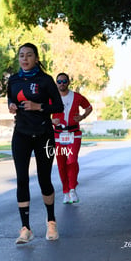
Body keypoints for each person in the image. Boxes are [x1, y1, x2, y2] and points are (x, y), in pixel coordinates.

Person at [7, 43, 64, 244]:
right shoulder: (13, 80)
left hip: (43, 134)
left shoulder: (46, 80)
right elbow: (10, 100)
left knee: (44, 179)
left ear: (36, 58)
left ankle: (51, 221)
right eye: (21, 55)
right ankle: (25, 229)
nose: (24, 59)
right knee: (21, 179)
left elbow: (58, 106)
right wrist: (12, 106)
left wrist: (38, 106)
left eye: (29, 55)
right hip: (21, 134)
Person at [51, 73, 93, 204]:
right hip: (58, 135)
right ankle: (65, 192)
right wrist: (52, 120)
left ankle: (72, 189)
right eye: (59, 81)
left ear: (68, 82)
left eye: (64, 81)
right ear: (56, 83)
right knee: (62, 164)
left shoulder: (77, 96)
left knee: (72, 160)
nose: (62, 83)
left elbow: (89, 107)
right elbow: (43, 111)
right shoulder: (52, 98)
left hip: (74, 133)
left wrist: (82, 117)